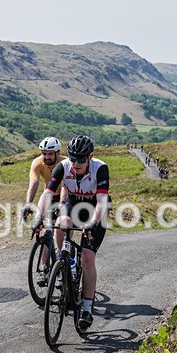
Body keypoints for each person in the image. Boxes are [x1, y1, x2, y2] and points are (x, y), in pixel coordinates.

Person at [33, 135, 109, 331]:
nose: (76, 163)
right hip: (73, 205)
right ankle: (66, 262)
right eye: (73, 158)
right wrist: (38, 216)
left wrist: (92, 223)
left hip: (95, 211)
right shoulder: (64, 166)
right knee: (61, 223)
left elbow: (101, 202)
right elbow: (48, 193)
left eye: (81, 160)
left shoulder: (100, 168)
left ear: (90, 157)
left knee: (87, 257)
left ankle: (86, 307)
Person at [22, 137, 64, 286]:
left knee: (62, 231)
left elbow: (65, 187)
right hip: (50, 195)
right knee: (44, 231)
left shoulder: (65, 163)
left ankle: (63, 268)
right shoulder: (37, 163)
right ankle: (43, 268)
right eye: (44, 153)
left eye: (50, 154)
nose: (46, 157)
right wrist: (28, 204)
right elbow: (33, 184)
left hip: (65, 197)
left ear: (57, 153)